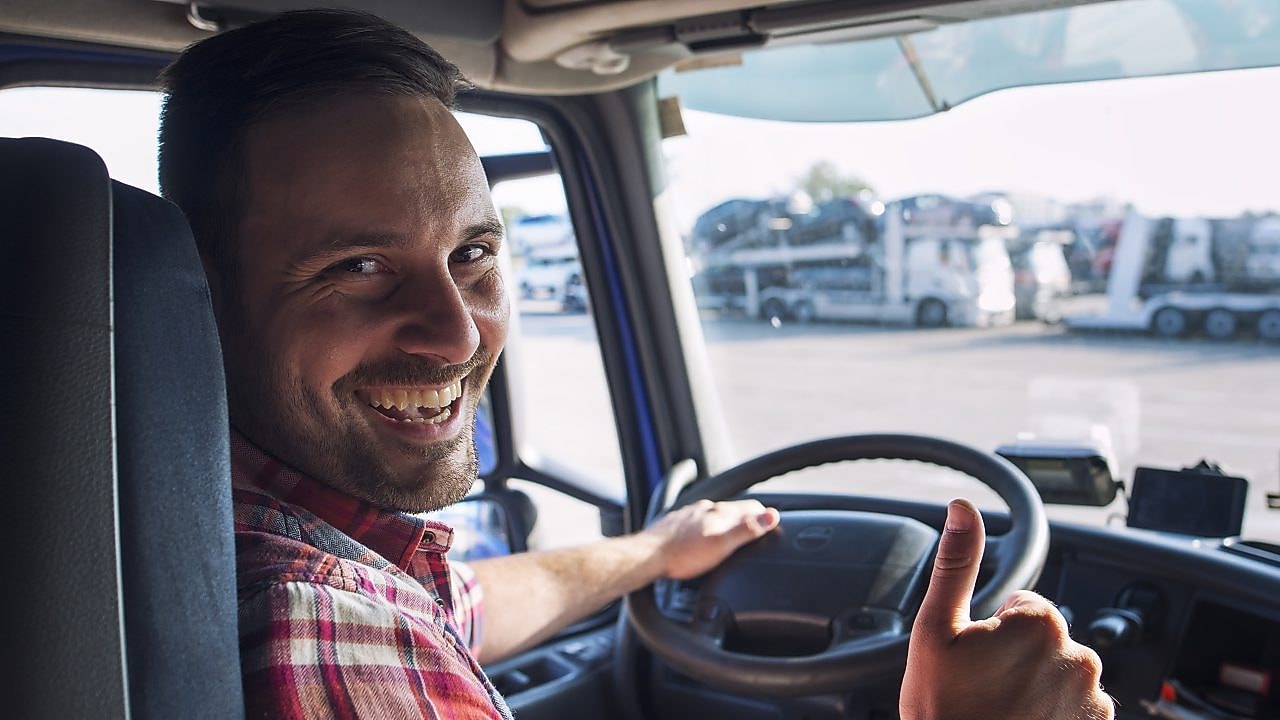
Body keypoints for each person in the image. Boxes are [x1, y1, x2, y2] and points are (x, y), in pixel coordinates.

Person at [157, 9, 1113, 719]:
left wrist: (658, 551)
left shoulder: (232, 521)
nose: (457, 335)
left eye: (474, 256)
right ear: (200, 294)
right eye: (358, 268)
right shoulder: (323, 630)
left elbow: (462, 604)